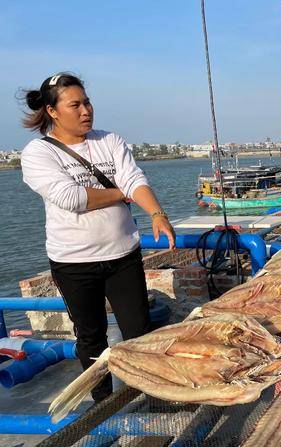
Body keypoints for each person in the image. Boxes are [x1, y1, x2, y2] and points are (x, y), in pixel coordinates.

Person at [20, 73, 176, 403]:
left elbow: (135, 178)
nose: (85, 110)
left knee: (138, 331)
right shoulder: (38, 153)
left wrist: (157, 213)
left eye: (87, 102)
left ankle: (150, 397)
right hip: (74, 261)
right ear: (52, 111)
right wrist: (120, 192)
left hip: (123, 254)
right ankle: (103, 405)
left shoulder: (109, 140)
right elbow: (71, 198)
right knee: (90, 337)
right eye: (74, 105)